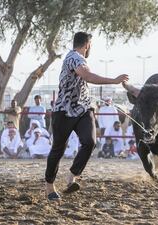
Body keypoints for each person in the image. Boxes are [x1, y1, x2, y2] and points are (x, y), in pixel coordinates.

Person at [45, 31, 129, 201]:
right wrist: (114, 80)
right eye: (91, 45)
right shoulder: (74, 57)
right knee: (58, 149)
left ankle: (73, 175)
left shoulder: (79, 59)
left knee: (90, 142)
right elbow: (87, 76)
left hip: (83, 110)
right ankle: (49, 187)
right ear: (87, 45)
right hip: (64, 111)